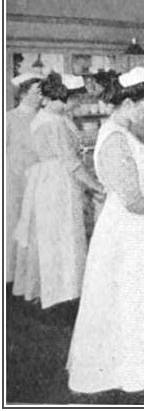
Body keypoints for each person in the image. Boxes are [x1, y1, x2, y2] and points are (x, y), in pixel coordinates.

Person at [67, 66, 144, 395]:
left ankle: (137, 372)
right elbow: (134, 200)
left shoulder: (121, 133)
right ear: (128, 102)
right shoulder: (114, 140)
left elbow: (140, 180)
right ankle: (126, 376)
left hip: (131, 230)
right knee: (127, 303)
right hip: (123, 232)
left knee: (133, 302)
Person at [12, 72, 104, 309]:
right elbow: (70, 162)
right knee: (60, 235)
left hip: (49, 179)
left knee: (54, 235)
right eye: (76, 99)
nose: (78, 104)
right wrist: (96, 186)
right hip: (56, 182)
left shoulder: (52, 116)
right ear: (65, 97)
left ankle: (59, 288)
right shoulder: (53, 122)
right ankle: (62, 290)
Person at [6, 73, 43, 284]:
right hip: (14, 181)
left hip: (39, 180)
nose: (41, 95)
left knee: (35, 227)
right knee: (14, 225)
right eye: (37, 91)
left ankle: (31, 277)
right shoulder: (9, 118)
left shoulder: (44, 117)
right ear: (24, 93)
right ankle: (10, 276)